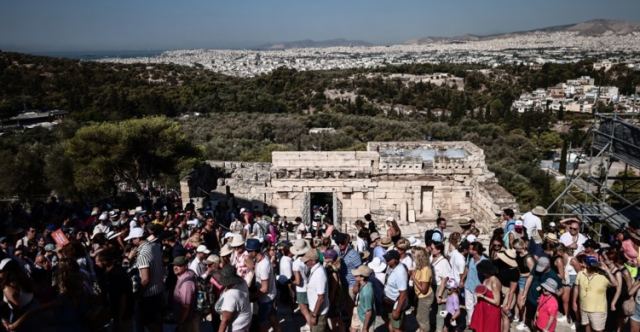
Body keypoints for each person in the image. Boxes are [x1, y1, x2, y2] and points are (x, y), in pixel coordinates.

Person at [127, 226, 165, 332]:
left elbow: (145, 279)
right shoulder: (155, 246)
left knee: (148, 324)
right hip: (159, 291)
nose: (130, 241)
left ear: (138, 239)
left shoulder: (142, 255)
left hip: (148, 296)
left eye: (132, 239)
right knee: (157, 323)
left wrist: (137, 295)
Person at [573, 255, 618, 332]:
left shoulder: (603, 276)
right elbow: (576, 288)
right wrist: (574, 302)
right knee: (587, 326)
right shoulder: (580, 274)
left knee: (598, 330)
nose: (593, 267)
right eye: (591, 265)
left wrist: (607, 270)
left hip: (598, 310)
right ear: (586, 265)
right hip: (583, 307)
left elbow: (615, 284)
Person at [95, 250, 134, 332]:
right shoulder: (111, 272)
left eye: (98, 262)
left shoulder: (116, 274)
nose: (96, 264)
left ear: (104, 261)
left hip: (122, 314)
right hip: (117, 314)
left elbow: (123, 297)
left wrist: (120, 318)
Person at [246, 238, 279, 332]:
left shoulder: (263, 266)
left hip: (266, 299)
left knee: (262, 324)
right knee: (273, 320)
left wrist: (251, 297)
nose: (247, 253)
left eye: (248, 251)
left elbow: (264, 289)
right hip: (270, 297)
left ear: (254, 252)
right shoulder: (262, 258)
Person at [214, 265, 252, 332]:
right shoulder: (242, 282)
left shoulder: (231, 295)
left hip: (236, 328)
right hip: (244, 324)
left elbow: (225, 321)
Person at [469, 260, 502, 332]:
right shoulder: (486, 278)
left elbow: (497, 302)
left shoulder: (494, 282)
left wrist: (483, 297)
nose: (481, 273)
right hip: (483, 309)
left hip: (491, 311)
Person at [302, 249, 329, 332]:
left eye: (307, 261)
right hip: (314, 310)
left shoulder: (319, 274)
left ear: (313, 261)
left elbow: (321, 298)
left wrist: (314, 315)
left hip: (318, 313)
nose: (304, 262)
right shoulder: (315, 269)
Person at [172, 256, 199, 332]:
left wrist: (181, 322)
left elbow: (186, 306)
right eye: (174, 265)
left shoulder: (186, 283)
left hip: (187, 320)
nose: (175, 267)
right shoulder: (183, 276)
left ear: (185, 266)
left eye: (179, 265)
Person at [495, 249, 519, 332]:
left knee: (505, 314)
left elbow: (512, 290)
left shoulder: (515, 272)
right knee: (499, 314)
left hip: (509, 292)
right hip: (500, 290)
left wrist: (508, 304)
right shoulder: (500, 263)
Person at [383, 250, 408, 332]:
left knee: (397, 328)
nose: (386, 261)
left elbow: (403, 293)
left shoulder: (400, 272)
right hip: (389, 301)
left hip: (396, 303)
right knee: (391, 324)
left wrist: (397, 310)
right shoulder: (390, 266)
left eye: (388, 259)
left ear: (395, 260)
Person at [462, 241, 486, 325]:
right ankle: (470, 322)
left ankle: (477, 322)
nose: (468, 250)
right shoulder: (470, 258)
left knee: (477, 306)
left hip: (478, 287)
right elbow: (467, 268)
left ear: (475, 250)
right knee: (468, 305)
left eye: (470, 249)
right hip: (468, 285)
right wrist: (462, 280)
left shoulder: (484, 261)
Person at [432, 241, 452, 332]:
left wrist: (439, 294)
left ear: (439, 250)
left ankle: (439, 329)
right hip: (434, 286)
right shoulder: (432, 257)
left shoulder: (443, 262)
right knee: (436, 310)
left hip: (441, 288)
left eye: (433, 248)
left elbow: (445, 279)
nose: (431, 250)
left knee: (441, 312)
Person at [412, 246, 434, 332]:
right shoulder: (419, 267)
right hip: (420, 296)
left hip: (425, 298)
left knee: (423, 320)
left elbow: (424, 290)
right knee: (419, 316)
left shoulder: (425, 270)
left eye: (413, 255)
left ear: (418, 257)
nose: (412, 256)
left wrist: (414, 279)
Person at [323, 249, 345, 332]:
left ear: (330, 259)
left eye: (326, 257)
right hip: (334, 298)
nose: (324, 258)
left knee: (336, 318)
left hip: (334, 299)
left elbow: (334, 287)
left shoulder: (333, 271)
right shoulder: (331, 267)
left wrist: (330, 300)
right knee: (335, 318)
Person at [350, 265, 375, 332]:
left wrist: (365, 328)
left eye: (356, 275)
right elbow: (354, 291)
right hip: (358, 310)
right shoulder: (361, 283)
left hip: (364, 317)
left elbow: (368, 312)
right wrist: (357, 282)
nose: (354, 276)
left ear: (362, 277)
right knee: (352, 329)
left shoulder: (367, 292)